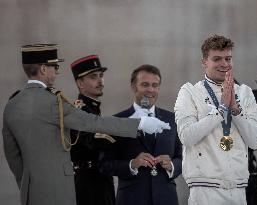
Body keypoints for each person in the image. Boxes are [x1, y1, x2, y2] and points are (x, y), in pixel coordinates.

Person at [2, 44, 170, 205]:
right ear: (44, 69)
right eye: (55, 67)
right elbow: (93, 126)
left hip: (33, 190)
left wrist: (26, 184)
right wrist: (139, 123)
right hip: (77, 185)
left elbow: (13, 155)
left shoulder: (12, 104)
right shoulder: (56, 102)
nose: (56, 73)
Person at [174, 35, 257, 205]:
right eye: (217, 59)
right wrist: (221, 110)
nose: (224, 64)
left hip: (238, 189)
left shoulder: (244, 92)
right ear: (204, 62)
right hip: (205, 189)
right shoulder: (190, 92)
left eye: (228, 59)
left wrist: (236, 111)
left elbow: (255, 142)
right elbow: (187, 136)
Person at [103, 64, 182, 205]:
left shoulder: (173, 120)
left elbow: (184, 158)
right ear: (134, 87)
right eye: (145, 84)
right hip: (131, 199)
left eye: (155, 85)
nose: (150, 90)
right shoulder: (117, 121)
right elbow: (105, 164)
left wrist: (172, 165)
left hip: (166, 199)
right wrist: (132, 164)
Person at [70, 55, 115, 205]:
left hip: (100, 179)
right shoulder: (78, 111)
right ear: (79, 83)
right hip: (88, 184)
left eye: (101, 76)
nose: (100, 80)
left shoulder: (92, 109)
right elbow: (96, 141)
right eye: (93, 77)